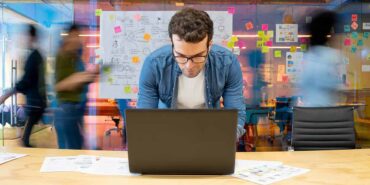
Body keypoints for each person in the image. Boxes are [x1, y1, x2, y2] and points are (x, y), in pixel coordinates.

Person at [137, 8, 246, 139]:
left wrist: (227, 138)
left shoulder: (228, 63)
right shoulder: (154, 64)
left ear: (209, 46)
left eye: (198, 56)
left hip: (210, 134)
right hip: (166, 134)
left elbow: (236, 114)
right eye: (181, 56)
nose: (189, 66)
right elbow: (145, 118)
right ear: (172, 44)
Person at [0, 24, 46, 147]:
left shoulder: (34, 57)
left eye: (26, 36)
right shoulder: (36, 56)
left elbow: (26, 81)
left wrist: (6, 95)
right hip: (36, 102)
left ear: (32, 37)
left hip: (34, 103)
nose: (24, 39)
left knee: (24, 139)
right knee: (24, 138)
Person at [54, 24, 99, 149]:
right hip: (66, 109)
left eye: (79, 36)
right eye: (75, 36)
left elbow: (81, 80)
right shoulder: (62, 57)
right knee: (70, 151)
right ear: (68, 37)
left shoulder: (76, 57)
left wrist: (91, 75)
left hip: (76, 108)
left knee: (77, 147)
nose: (78, 40)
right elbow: (60, 86)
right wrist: (80, 78)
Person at [297, 10, 343, 107]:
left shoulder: (308, 57)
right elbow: (335, 84)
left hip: (308, 114)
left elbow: (303, 83)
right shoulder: (332, 56)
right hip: (327, 114)